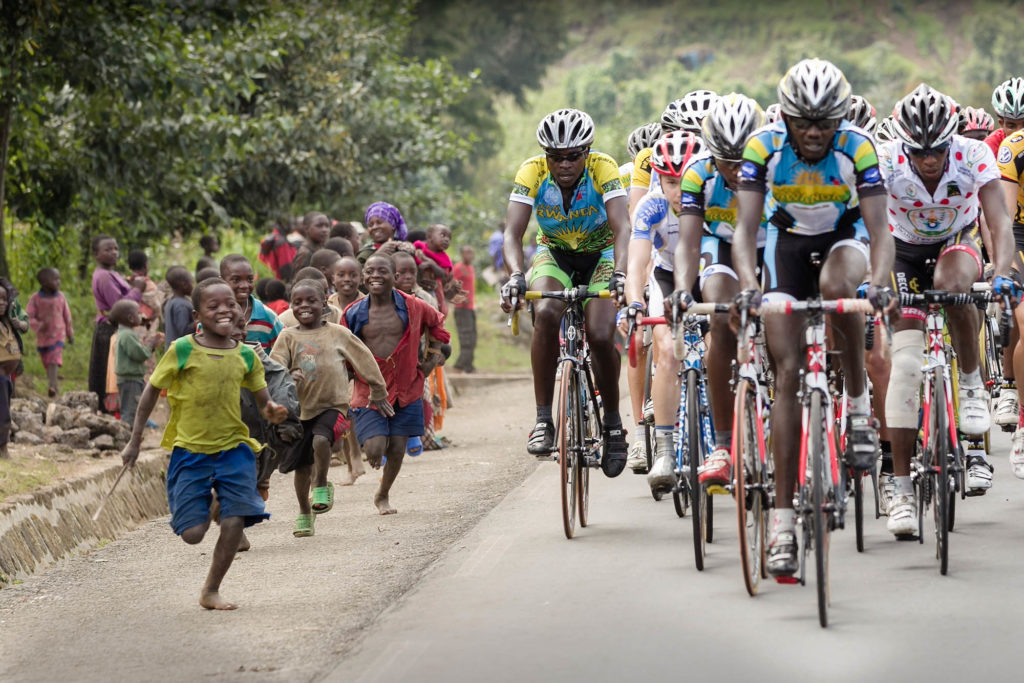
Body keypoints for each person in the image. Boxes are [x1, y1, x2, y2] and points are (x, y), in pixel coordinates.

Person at [731, 58, 895, 577]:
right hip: (786, 248)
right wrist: (752, 289)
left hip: (846, 239)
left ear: (840, 118)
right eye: (805, 122)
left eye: (825, 122)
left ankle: (859, 402)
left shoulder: (858, 147)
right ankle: (782, 524)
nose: (815, 132)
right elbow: (744, 229)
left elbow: (882, 231)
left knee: (837, 287)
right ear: (788, 118)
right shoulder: (763, 146)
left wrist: (883, 281)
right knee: (787, 373)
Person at [879, 85, 1015, 534]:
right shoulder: (885, 160)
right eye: (918, 152)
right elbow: (870, 223)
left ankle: (973, 384)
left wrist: (1001, 269)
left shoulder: (974, 154)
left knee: (952, 285)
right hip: (901, 250)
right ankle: (899, 489)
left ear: (950, 140)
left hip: (956, 243)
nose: (929, 159)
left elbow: (998, 218)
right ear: (904, 145)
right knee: (904, 366)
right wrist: (875, 277)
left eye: (936, 150)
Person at [119, 277, 289, 610]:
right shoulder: (182, 349)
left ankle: (211, 589)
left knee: (234, 519)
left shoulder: (246, 356)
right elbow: (151, 391)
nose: (225, 310)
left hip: (234, 449)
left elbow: (264, 402)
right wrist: (134, 441)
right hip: (191, 451)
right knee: (193, 533)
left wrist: (275, 412)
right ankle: (212, 502)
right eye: (214, 306)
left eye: (230, 304)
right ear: (198, 314)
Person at [499, 108, 631, 477]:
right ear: (546, 157)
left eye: (574, 155)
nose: (565, 163)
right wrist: (515, 275)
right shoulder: (532, 172)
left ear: (586, 151)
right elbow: (513, 233)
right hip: (554, 253)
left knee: (602, 334)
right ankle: (544, 419)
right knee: (544, 313)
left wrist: (621, 273)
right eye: (556, 156)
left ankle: (613, 425)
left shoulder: (603, 168)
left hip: (602, 254)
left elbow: (623, 228)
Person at [669, 93, 767, 492]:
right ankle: (723, 446)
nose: (733, 170)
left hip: (771, 243)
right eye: (725, 160)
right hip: (720, 245)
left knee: (780, 326)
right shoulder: (698, 173)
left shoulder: (774, 166)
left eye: (741, 160)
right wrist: (680, 290)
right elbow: (689, 244)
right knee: (721, 317)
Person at [622, 130, 707, 492]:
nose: (678, 190)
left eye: (686, 179)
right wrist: (635, 305)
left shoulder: (716, 200)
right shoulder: (652, 206)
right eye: (670, 181)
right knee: (668, 351)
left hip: (709, 274)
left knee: (725, 346)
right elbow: (638, 263)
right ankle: (666, 452)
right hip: (667, 276)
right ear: (660, 178)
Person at [271, 278, 389, 536]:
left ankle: (321, 482)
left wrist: (378, 390)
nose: (304, 306)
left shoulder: (337, 333)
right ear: (291, 306)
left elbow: (364, 359)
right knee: (301, 467)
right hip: (299, 410)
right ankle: (304, 512)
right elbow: (274, 369)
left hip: (333, 406)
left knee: (321, 441)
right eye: (298, 302)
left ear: (324, 303)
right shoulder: (287, 336)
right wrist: (289, 376)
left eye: (311, 301)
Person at [343, 253, 449, 514]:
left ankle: (383, 494)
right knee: (376, 448)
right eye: (369, 271)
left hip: (407, 387)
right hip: (369, 390)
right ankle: (370, 454)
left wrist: (432, 359)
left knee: (398, 447)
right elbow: (342, 349)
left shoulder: (414, 306)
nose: (375, 276)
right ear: (363, 276)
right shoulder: (353, 312)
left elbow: (438, 327)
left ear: (395, 277)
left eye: (382, 271)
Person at [89, 235, 145, 413]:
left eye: (115, 248)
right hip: (109, 329)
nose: (114, 252)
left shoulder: (111, 273)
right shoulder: (104, 276)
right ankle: (111, 412)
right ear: (96, 254)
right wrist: (137, 290)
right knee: (109, 374)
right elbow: (118, 306)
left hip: (111, 327)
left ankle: (117, 411)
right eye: (108, 249)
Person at [110, 299, 163, 426]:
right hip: (130, 380)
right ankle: (127, 437)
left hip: (132, 378)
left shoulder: (126, 333)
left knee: (136, 406)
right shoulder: (127, 335)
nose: (141, 315)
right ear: (130, 318)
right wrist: (151, 345)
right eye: (138, 313)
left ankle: (134, 434)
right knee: (130, 411)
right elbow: (139, 355)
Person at [219, 253, 283, 352]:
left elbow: (286, 347)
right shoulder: (214, 315)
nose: (244, 285)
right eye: (236, 280)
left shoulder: (267, 316)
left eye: (250, 279)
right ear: (222, 281)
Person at [26, 267, 73, 397]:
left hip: (58, 335)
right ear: (45, 283)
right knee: (46, 361)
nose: (59, 282)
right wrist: (38, 325)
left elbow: (67, 316)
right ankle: (53, 382)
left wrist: (70, 333)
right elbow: (28, 316)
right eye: (55, 279)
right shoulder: (35, 298)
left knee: (54, 358)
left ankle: (53, 386)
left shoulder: (61, 297)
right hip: (43, 337)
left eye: (59, 279)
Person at [0, 279, 22, 458]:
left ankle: (3, 447)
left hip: (6, 377)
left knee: (5, 411)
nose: (1, 303)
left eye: (4, 299)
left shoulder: (8, 323)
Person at [277, 267, 343, 326]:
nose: (325, 296)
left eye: (326, 291)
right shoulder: (284, 321)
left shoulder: (337, 315)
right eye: (319, 292)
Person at [452, 246, 477, 373]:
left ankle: (468, 366)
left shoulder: (471, 268)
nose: (469, 255)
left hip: (470, 308)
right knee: (466, 338)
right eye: (466, 253)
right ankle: (459, 366)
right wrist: (461, 297)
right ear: (462, 254)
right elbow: (452, 285)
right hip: (461, 308)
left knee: (473, 337)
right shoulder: (458, 268)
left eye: (471, 253)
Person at [290, 212, 331, 277]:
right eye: (319, 226)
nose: (324, 230)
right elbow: (298, 280)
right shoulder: (305, 253)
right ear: (306, 229)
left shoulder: (321, 248)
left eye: (327, 226)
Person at [163, 266, 195, 345]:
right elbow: (184, 332)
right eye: (192, 282)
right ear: (184, 285)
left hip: (173, 350)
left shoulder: (171, 301)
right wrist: (200, 321)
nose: (193, 286)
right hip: (180, 352)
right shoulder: (181, 305)